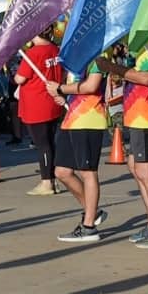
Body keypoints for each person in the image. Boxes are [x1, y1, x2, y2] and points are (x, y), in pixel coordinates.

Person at [97, 36, 148, 249]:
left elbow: (146, 78)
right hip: (137, 114)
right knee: (136, 167)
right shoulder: (139, 46)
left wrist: (111, 66)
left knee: (145, 171)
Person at [48, 59, 109, 243]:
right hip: (72, 118)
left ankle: (89, 226)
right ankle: (93, 211)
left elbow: (91, 85)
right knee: (62, 171)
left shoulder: (99, 54)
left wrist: (61, 89)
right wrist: (64, 96)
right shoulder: (76, 55)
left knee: (88, 172)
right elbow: (75, 86)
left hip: (90, 118)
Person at [14, 27, 64, 196]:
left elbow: (19, 78)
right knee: (50, 142)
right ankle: (53, 179)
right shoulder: (55, 49)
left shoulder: (33, 53)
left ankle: (46, 182)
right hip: (52, 101)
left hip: (37, 104)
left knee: (42, 144)